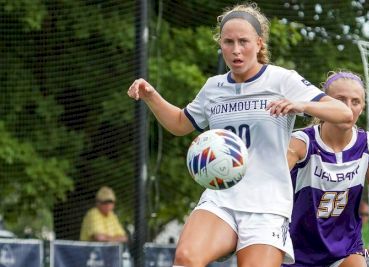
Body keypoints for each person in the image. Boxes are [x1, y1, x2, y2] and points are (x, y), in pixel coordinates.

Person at [127, 3, 352, 266]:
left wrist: (301, 105)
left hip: (267, 205)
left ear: (259, 43)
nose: (236, 50)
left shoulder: (282, 80)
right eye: (228, 42)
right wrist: (151, 96)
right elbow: (180, 123)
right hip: (221, 197)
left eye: (243, 41)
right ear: (220, 45)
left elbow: (343, 115)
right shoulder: (214, 88)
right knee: (186, 258)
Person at [285, 71, 369, 267]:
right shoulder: (301, 143)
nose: (348, 108)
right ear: (325, 105)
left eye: (355, 102)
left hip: (345, 248)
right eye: (340, 101)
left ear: (362, 107)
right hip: (296, 249)